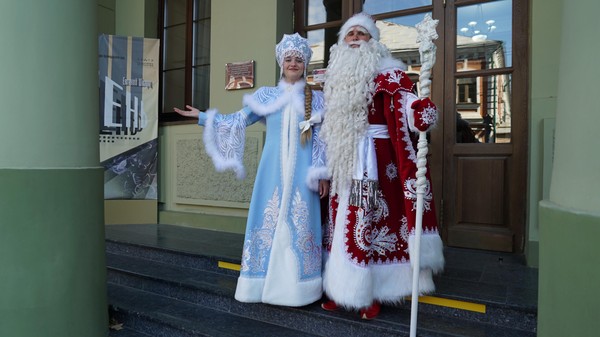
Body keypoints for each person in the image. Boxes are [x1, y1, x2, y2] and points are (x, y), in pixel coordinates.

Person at [174, 33, 329, 307]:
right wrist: (202, 117)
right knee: (267, 220)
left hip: (305, 175)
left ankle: (301, 289)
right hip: (272, 173)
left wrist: (323, 173)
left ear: (305, 64)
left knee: (301, 224)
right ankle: (258, 285)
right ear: (281, 63)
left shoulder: (318, 99)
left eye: (298, 59)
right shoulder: (266, 96)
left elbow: (323, 139)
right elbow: (237, 120)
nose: (293, 63)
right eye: (288, 59)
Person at [319, 13, 445, 319]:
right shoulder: (334, 79)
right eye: (350, 34)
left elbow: (409, 110)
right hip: (343, 163)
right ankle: (339, 288)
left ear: (373, 41)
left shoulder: (391, 77)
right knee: (339, 226)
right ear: (342, 42)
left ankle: (369, 292)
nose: (355, 38)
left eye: (362, 34)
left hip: (371, 166)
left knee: (368, 224)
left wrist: (421, 114)